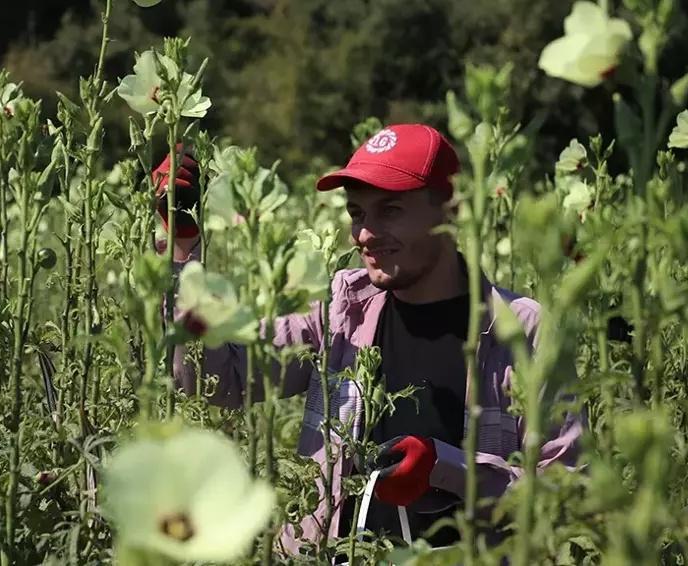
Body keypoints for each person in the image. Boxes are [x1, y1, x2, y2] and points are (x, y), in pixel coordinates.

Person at [155, 123, 584, 555]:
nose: (365, 233)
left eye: (391, 210)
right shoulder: (343, 314)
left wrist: (447, 469)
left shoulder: (524, 332)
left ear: (451, 209)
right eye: (357, 213)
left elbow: (564, 493)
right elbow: (218, 380)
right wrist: (181, 246)